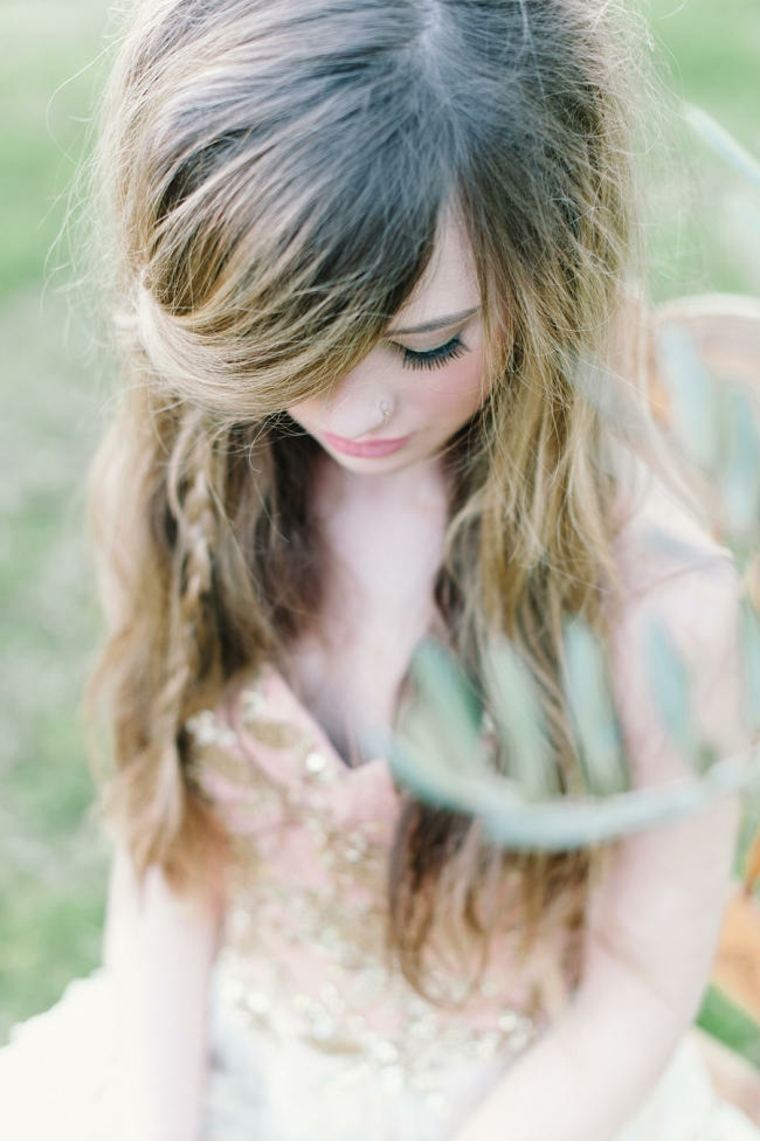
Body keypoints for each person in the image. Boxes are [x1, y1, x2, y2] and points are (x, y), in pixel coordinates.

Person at [1, 0, 759, 1138]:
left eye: (427, 343)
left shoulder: (657, 601)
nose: (352, 408)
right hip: (213, 1061)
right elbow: (170, 858)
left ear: (549, 258)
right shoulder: (199, 475)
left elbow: (638, 987)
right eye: (290, 339)